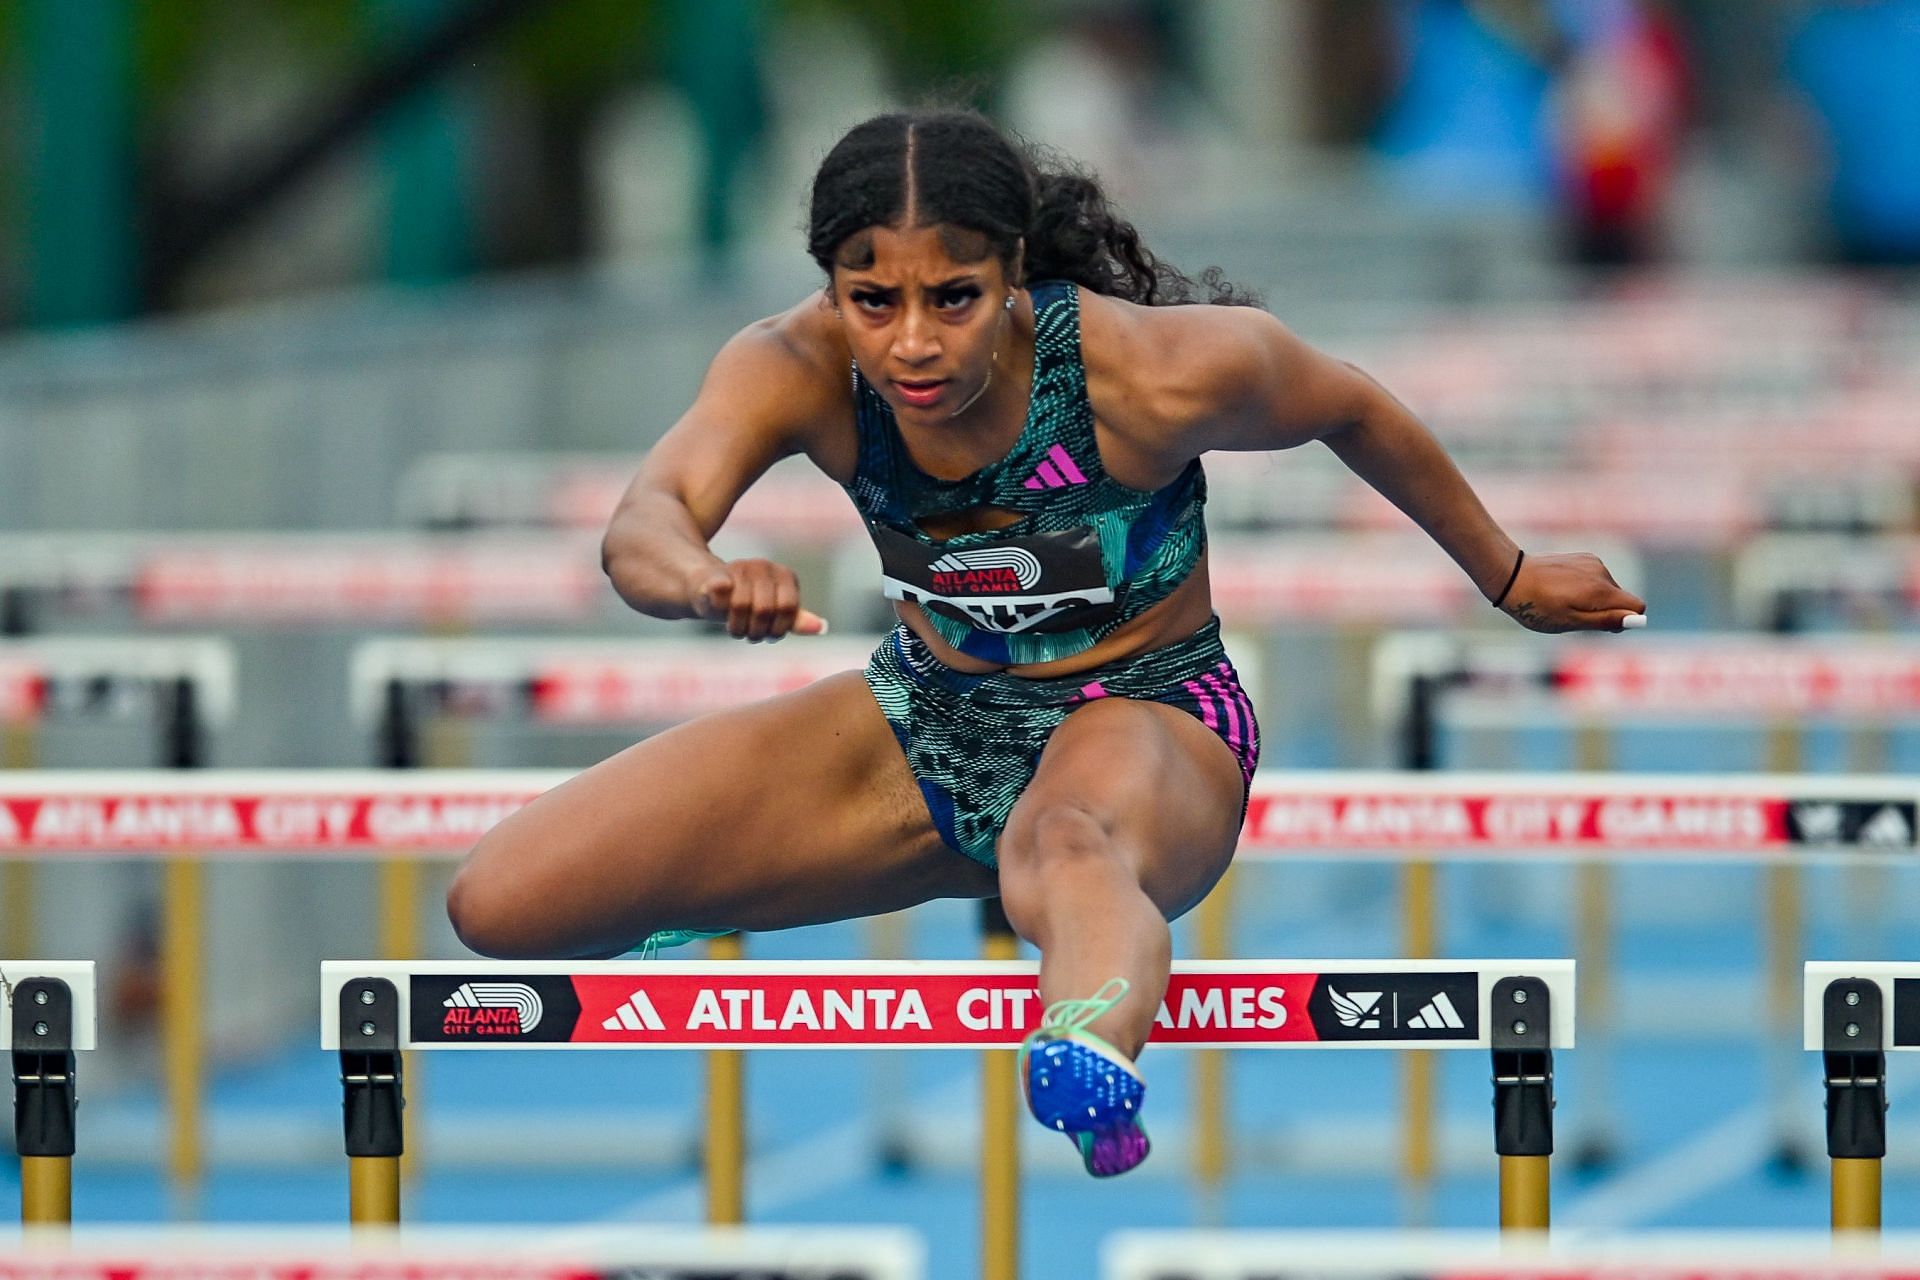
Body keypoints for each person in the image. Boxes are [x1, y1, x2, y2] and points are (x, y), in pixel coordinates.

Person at [445, 108, 1646, 1178]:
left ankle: (1089, 1049)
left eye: (952, 298)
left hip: (1147, 712)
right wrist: (703, 576)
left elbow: (1349, 403)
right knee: (502, 901)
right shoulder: (791, 365)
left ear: (1014, 275)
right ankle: (768, 878)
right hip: (930, 718)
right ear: (830, 292)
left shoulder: (1151, 372)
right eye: (875, 302)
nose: (913, 343)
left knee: (1064, 834)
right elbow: (643, 523)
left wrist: (1507, 569)